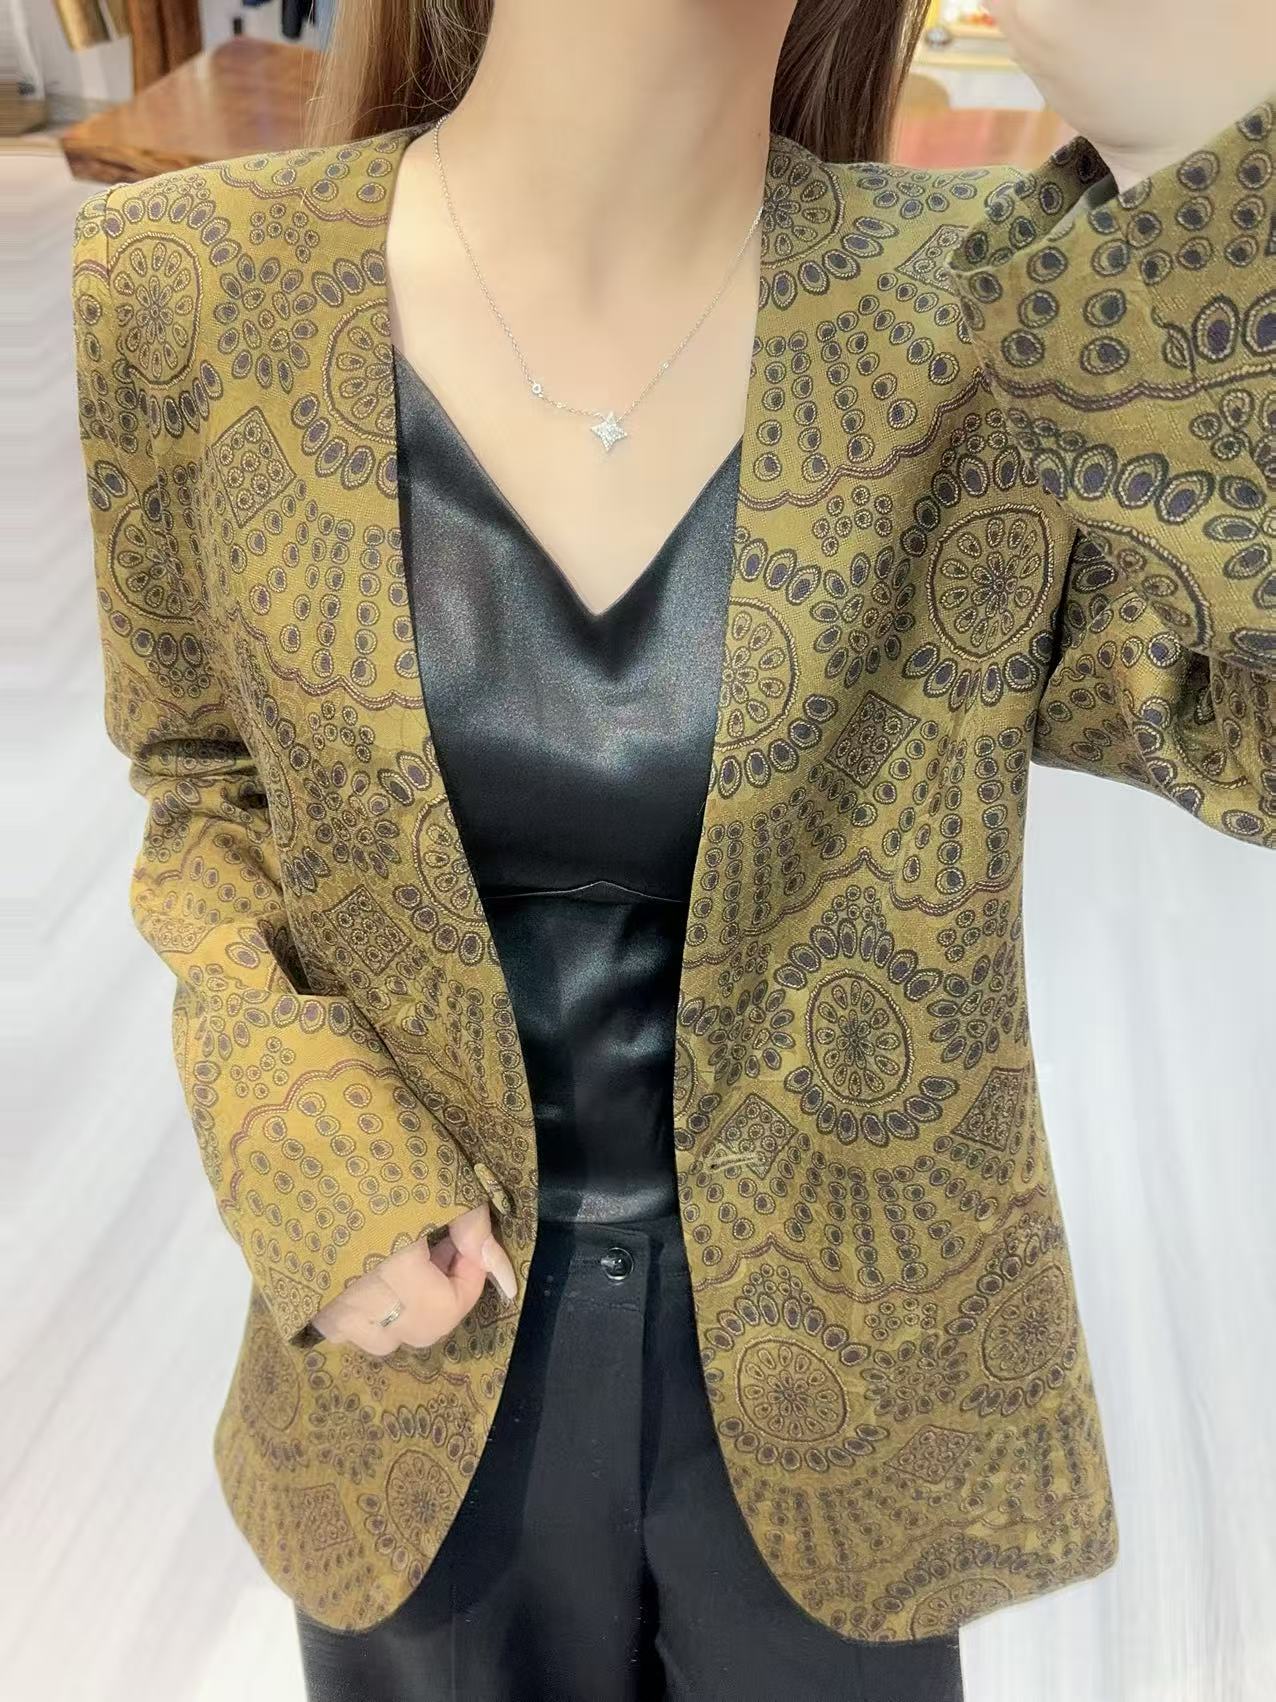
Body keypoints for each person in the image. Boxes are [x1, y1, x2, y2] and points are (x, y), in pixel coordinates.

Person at [69, 0, 1273, 1696]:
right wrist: (301, 1135)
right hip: (414, 1391)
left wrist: (1217, 121)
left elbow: (1243, 722)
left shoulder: (975, 313)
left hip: (840, 1410)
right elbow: (206, 786)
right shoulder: (189, 285)